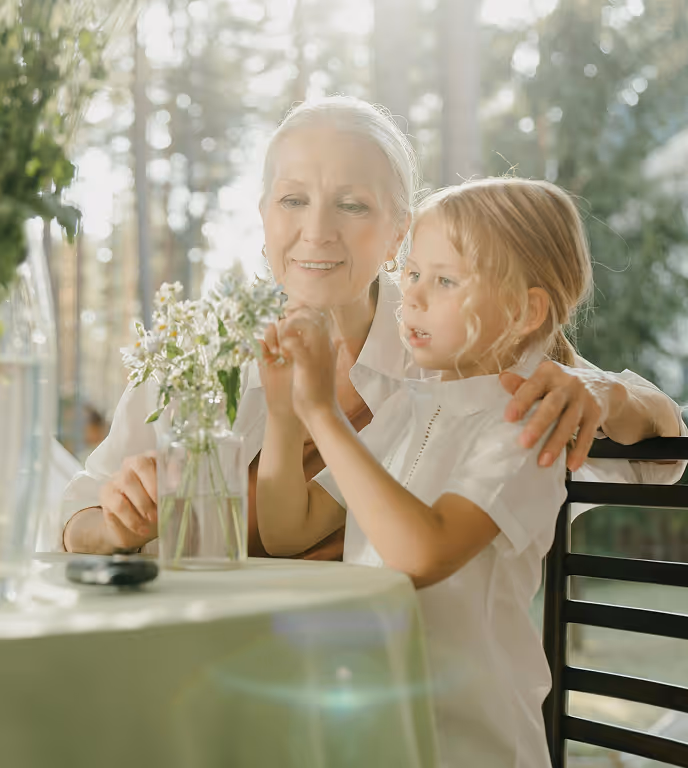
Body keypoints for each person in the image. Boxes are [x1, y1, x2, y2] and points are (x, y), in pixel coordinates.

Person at [59, 96, 685, 556]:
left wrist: (611, 395)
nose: (317, 231)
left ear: (398, 232)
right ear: (264, 216)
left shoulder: (455, 351)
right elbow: (75, 513)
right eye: (293, 200)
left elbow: (659, 456)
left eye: (352, 205)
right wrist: (114, 524)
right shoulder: (204, 351)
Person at [255, 178, 608, 766]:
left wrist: (322, 410)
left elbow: (421, 553)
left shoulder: (523, 425)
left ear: (524, 310)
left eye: (444, 281)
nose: (412, 298)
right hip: (379, 730)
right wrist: (284, 414)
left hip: (470, 744)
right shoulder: (402, 410)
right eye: (411, 274)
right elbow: (288, 531)